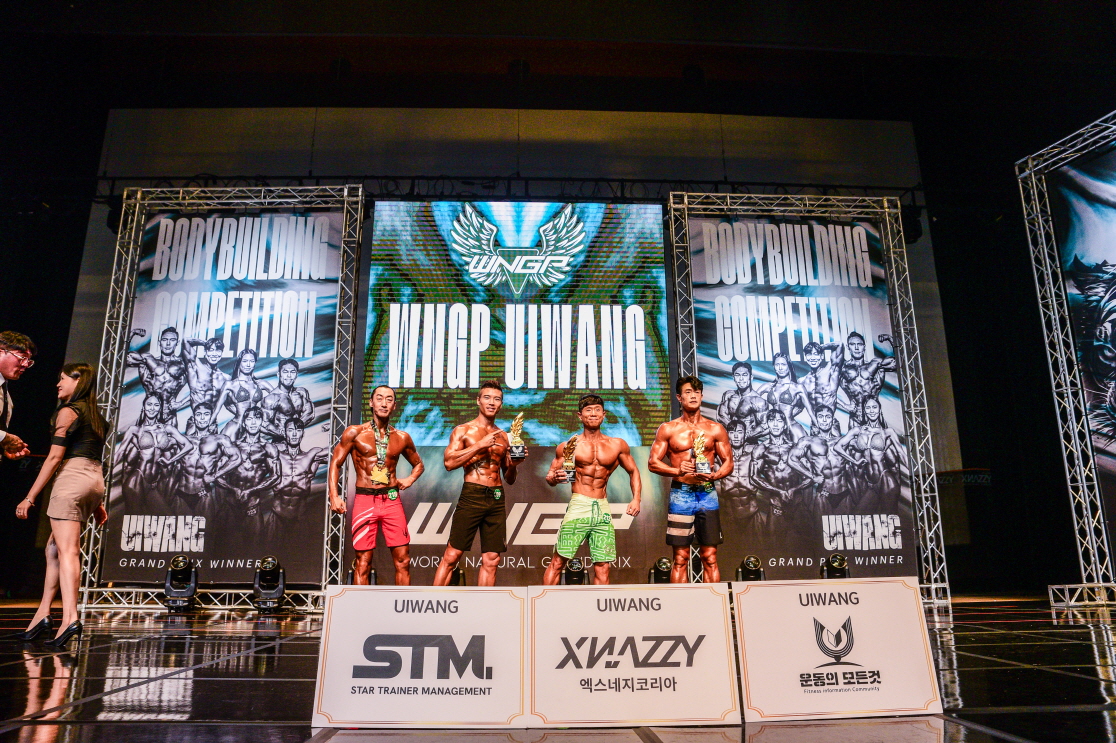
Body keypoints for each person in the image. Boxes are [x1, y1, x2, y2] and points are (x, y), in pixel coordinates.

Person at [14, 363, 109, 647]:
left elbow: (55, 458)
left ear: (78, 381)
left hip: (72, 478)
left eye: (63, 378)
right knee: (54, 548)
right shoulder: (97, 417)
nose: (58, 384)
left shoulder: (69, 411)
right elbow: (92, 459)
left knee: (68, 551)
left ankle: (70, 618)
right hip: (94, 481)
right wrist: (97, 502)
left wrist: (30, 496)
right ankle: (42, 614)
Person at [541, 394, 641, 586]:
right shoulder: (568, 446)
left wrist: (636, 498)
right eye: (588, 410)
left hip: (602, 508)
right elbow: (550, 476)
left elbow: (633, 471)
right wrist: (554, 478)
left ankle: (599, 605)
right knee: (558, 560)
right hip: (579, 504)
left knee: (603, 565)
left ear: (604, 415)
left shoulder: (617, 445)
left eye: (597, 410)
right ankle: (544, 601)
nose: (593, 414)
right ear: (580, 415)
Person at [328, 385, 424, 585]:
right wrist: (334, 496)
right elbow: (335, 463)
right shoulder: (354, 432)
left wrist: (409, 479)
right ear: (371, 403)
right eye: (379, 398)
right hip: (365, 500)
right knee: (363, 562)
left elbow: (418, 465)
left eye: (389, 399)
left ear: (394, 406)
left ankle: (401, 604)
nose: (384, 403)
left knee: (403, 560)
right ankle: (362, 605)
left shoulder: (402, 437)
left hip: (391, 500)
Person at [432, 381, 523, 587]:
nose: (492, 402)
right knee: (453, 554)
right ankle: (434, 600)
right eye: (487, 398)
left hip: (496, 496)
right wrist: (479, 446)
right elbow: (449, 463)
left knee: (492, 559)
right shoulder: (463, 430)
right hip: (473, 493)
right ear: (478, 400)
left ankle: (485, 603)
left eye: (497, 399)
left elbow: (509, 478)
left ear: (501, 405)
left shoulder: (504, 437)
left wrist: (514, 465)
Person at [648, 376, 732, 583]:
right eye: (688, 392)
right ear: (679, 397)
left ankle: (713, 602)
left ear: (701, 396)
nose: (693, 396)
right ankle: (681, 603)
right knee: (680, 557)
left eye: (696, 392)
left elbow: (728, 462)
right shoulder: (668, 429)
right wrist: (676, 470)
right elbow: (653, 463)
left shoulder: (715, 429)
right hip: (681, 493)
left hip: (707, 493)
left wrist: (714, 475)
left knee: (710, 556)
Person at [115, 394, 194, 513]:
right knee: (134, 519)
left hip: (152, 484)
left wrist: (170, 461)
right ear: (144, 407)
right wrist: (105, 470)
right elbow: (120, 452)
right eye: (149, 404)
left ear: (160, 408)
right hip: (137, 480)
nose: (152, 408)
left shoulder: (167, 429)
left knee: (167, 517)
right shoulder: (135, 430)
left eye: (156, 405)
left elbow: (188, 445)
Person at [833, 397, 906, 514]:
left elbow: (901, 454)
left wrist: (915, 474)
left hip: (886, 480)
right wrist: (854, 461)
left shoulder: (887, 432)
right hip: (872, 484)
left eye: (874, 407)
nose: (871, 411)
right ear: (864, 411)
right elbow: (837, 447)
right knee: (858, 515)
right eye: (868, 408)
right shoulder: (858, 430)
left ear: (879, 410)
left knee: (888, 519)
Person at [268, 420, 330, 551]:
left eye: (298, 430)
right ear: (285, 433)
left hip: (300, 518)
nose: (294, 434)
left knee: (300, 557)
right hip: (278, 517)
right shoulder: (276, 456)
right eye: (290, 430)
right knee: (272, 554)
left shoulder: (312, 456)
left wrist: (332, 431)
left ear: (303, 433)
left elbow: (339, 451)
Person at [126, 327, 187, 425]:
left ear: (177, 342)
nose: (168, 344)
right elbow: (124, 358)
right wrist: (131, 334)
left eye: (172, 340)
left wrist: (180, 404)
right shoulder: (147, 360)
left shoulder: (182, 365)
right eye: (164, 340)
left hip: (169, 416)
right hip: (148, 414)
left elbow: (200, 389)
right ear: (159, 342)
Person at [838, 332, 897, 427]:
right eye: (853, 344)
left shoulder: (875, 365)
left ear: (864, 347)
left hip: (875, 419)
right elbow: (825, 391)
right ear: (848, 347)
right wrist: (845, 406)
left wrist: (890, 339)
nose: (856, 348)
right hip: (855, 419)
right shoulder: (842, 369)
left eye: (859, 344)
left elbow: (898, 363)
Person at [215, 348, 269, 440]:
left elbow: (279, 396)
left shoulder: (260, 383)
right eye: (245, 361)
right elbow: (217, 409)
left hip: (253, 426)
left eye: (252, 361)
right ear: (239, 363)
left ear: (255, 363)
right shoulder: (230, 384)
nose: (248, 364)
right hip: (236, 426)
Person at [0, 331, 35, 460]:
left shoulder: (5, 392)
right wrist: (5, 438)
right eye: (22, 358)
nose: (25, 365)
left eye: (28, 361)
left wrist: (4, 447)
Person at [763, 352, 814, 440]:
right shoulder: (769, 386)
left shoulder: (797, 387)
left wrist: (821, 431)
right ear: (774, 366)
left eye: (783, 364)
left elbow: (811, 412)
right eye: (777, 365)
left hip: (792, 427)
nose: (780, 368)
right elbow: (750, 399)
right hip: (776, 428)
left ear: (788, 366)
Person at [260, 358, 314, 442]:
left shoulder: (302, 392)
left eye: (292, 372)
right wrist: (282, 433)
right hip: (279, 443)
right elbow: (263, 423)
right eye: (285, 372)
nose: (289, 375)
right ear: (278, 374)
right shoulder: (271, 399)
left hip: (297, 442)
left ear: (296, 375)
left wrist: (295, 429)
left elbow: (310, 414)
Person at [716, 362, 769, 442]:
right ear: (733, 378)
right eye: (737, 375)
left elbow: (765, 425)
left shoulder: (758, 401)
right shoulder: (728, 395)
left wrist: (746, 435)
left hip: (749, 444)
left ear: (751, 377)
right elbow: (720, 416)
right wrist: (733, 431)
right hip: (730, 443)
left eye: (744, 375)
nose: (741, 379)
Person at [182, 337, 230, 412]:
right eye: (211, 350)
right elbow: (186, 340)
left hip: (213, 418)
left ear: (222, 353)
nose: (214, 354)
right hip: (196, 417)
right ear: (205, 352)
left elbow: (228, 404)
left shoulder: (226, 378)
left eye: (218, 350)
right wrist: (207, 343)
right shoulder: (196, 367)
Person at [800, 341, 844, 416]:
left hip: (830, 420)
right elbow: (800, 407)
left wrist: (821, 347)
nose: (813, 358)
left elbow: (840, 345)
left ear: (822, 356)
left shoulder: (830, 371)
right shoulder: (802, 381)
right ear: (805, 357)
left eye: (816, 354)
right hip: (814, 422)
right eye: (809, 354)